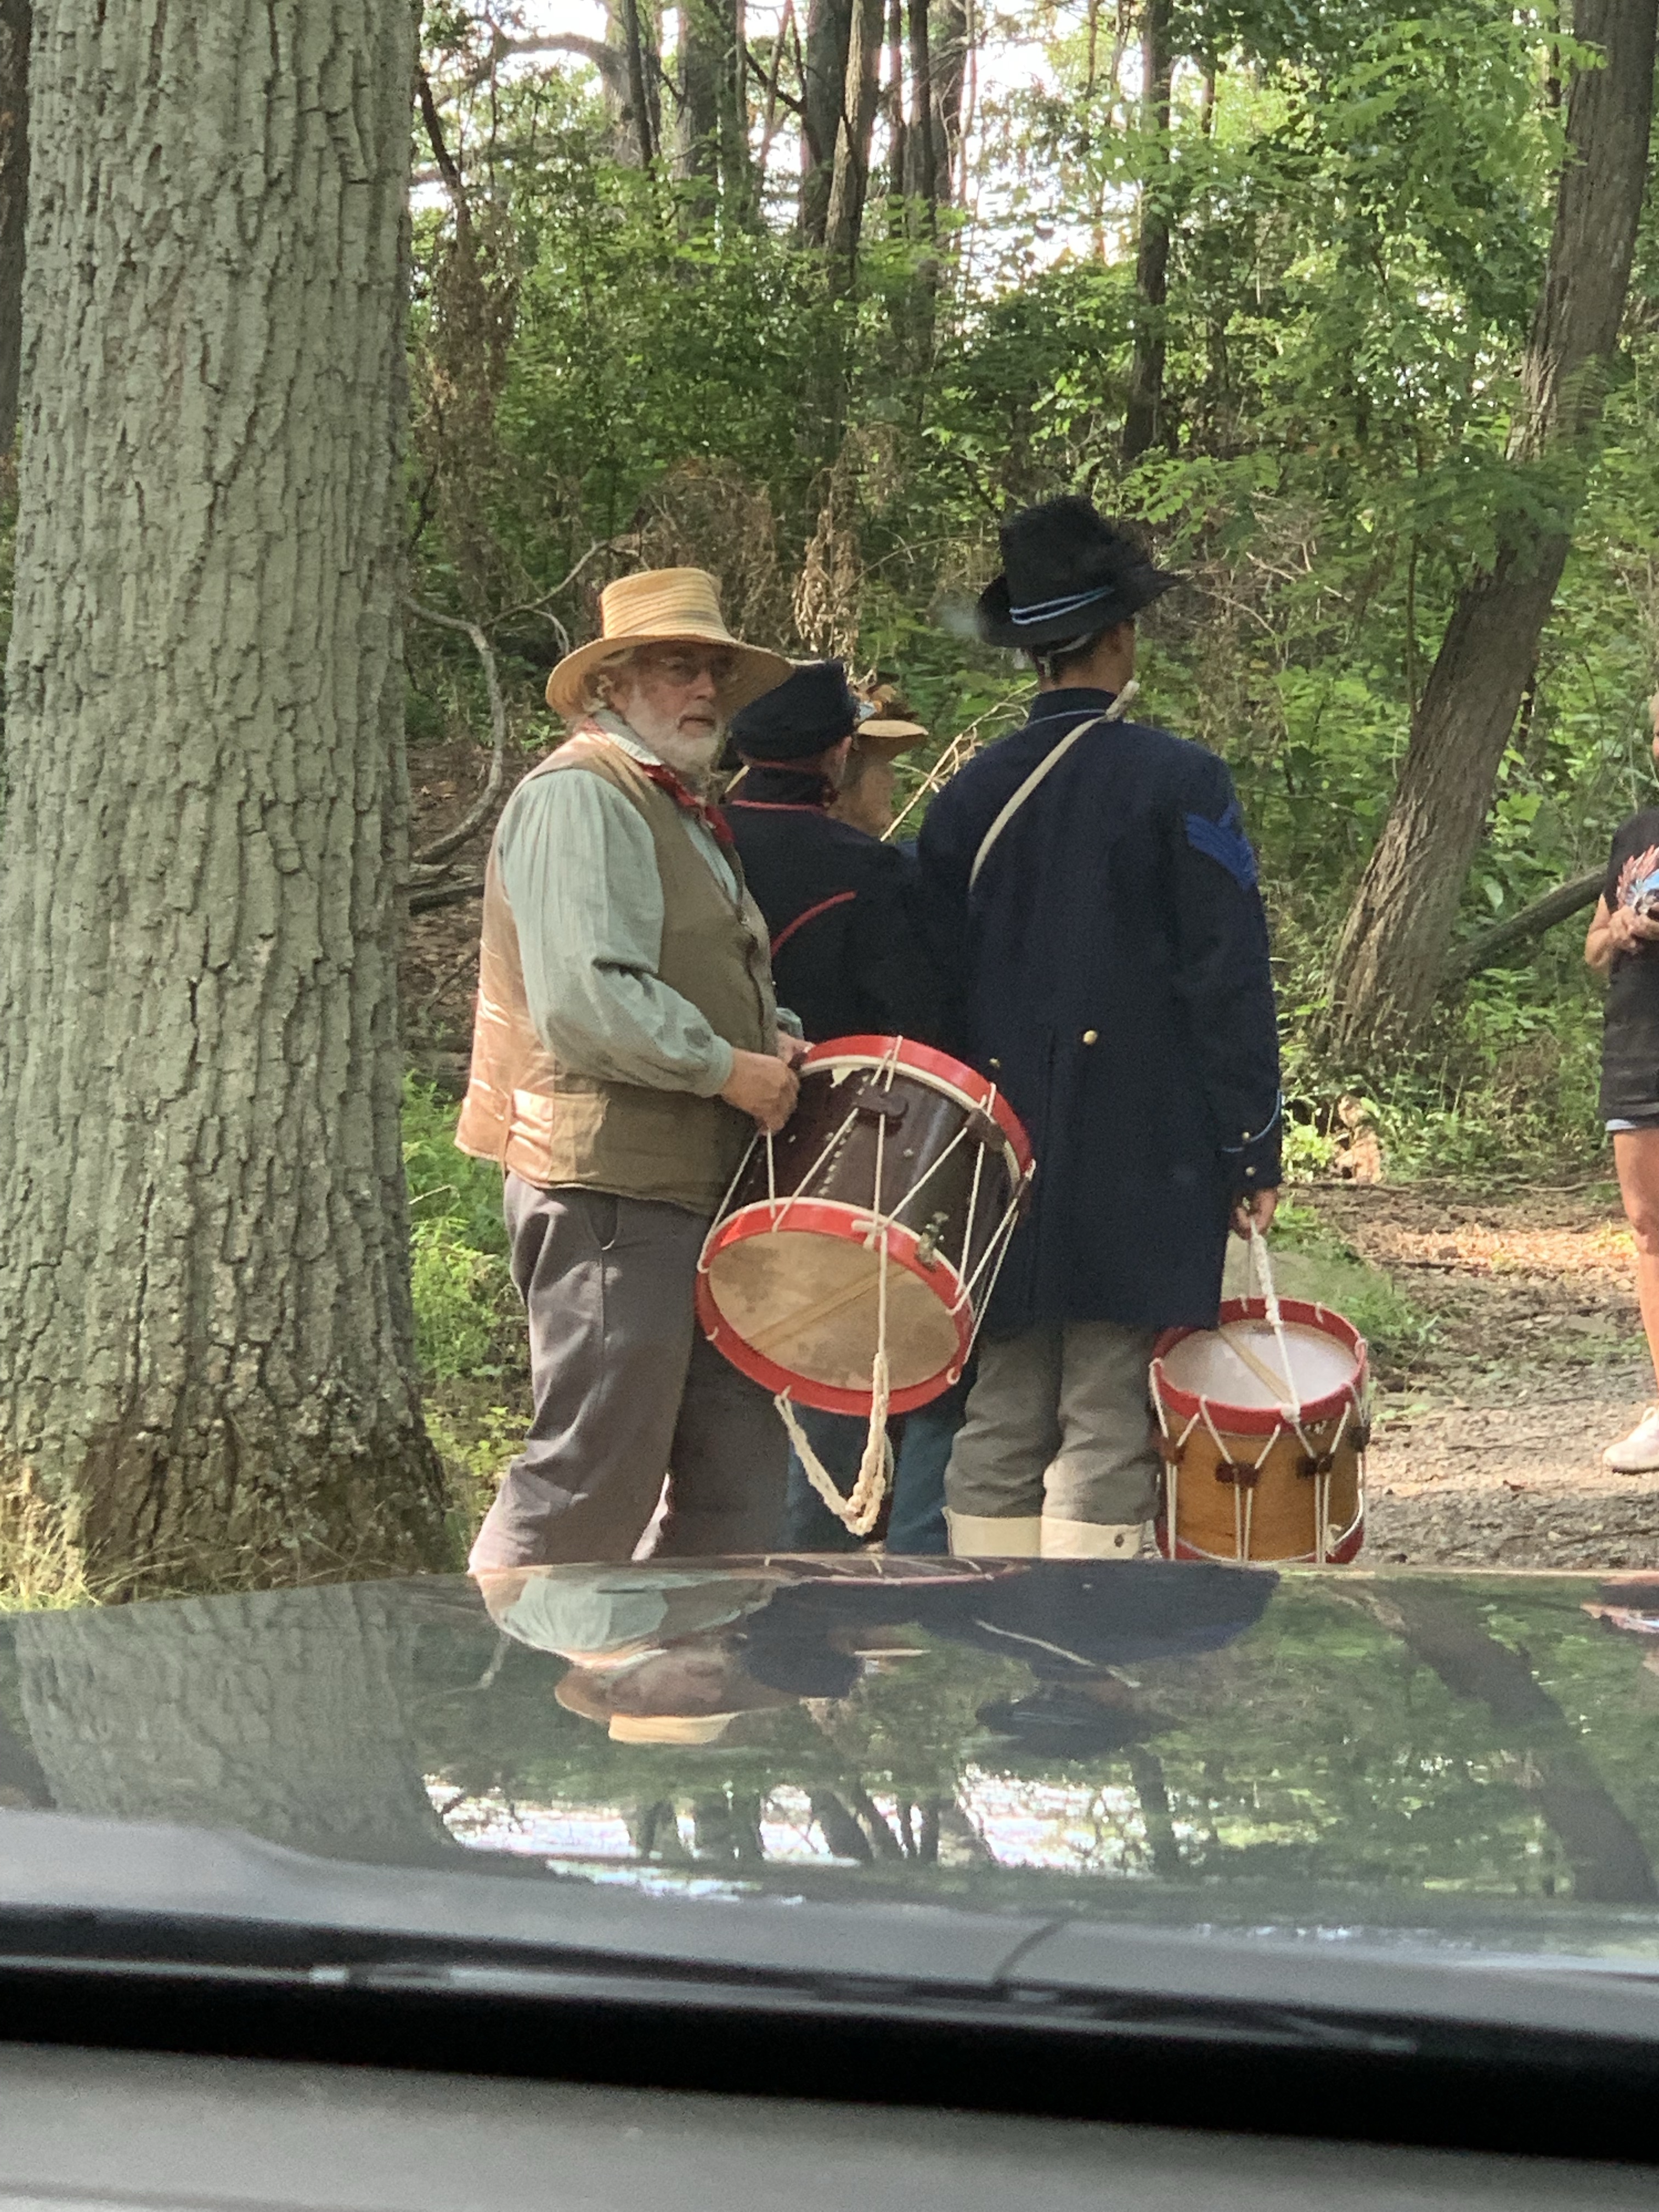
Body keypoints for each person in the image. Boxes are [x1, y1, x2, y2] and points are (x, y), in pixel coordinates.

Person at [916, 495, 1283, 1560]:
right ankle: (1087, 1643)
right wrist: (1251, 1145)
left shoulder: (964, 800)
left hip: (993, 1158)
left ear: (1032, 654)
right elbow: (1226, 976)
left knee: (1000, 1407)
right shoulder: (1184, 781)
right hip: (1145, 1151)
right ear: (1119, 636)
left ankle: (994, 1628)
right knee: (1111, 1415)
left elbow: (931, 992)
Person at [456, 568, 805, 1570]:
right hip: (607, 1191)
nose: (704, 691)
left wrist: (772, 1037)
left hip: (686, 1190)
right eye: (676, 667)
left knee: (733, 1480)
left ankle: (686, 1668)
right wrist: (728, 1069)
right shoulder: (581, 795)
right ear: (610, 683)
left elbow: (684, 972)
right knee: (589, 1480)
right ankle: (501, 1659)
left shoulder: (672, 803)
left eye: (713, 672)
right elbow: (586, 1001)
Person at [724, 660, 956, 1552]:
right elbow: (922, 1022)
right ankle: (819, 1588)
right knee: (830, 1365)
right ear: (834, 757)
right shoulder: (867, 870)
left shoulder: (697, 843)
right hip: (839, 1149)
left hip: (700, 1137)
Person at [1585, 692, 1659, 1472]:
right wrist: (1623, 929)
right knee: (1647, 1225)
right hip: (1636, 1045)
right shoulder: (1636, 835)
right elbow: (1593, 944)